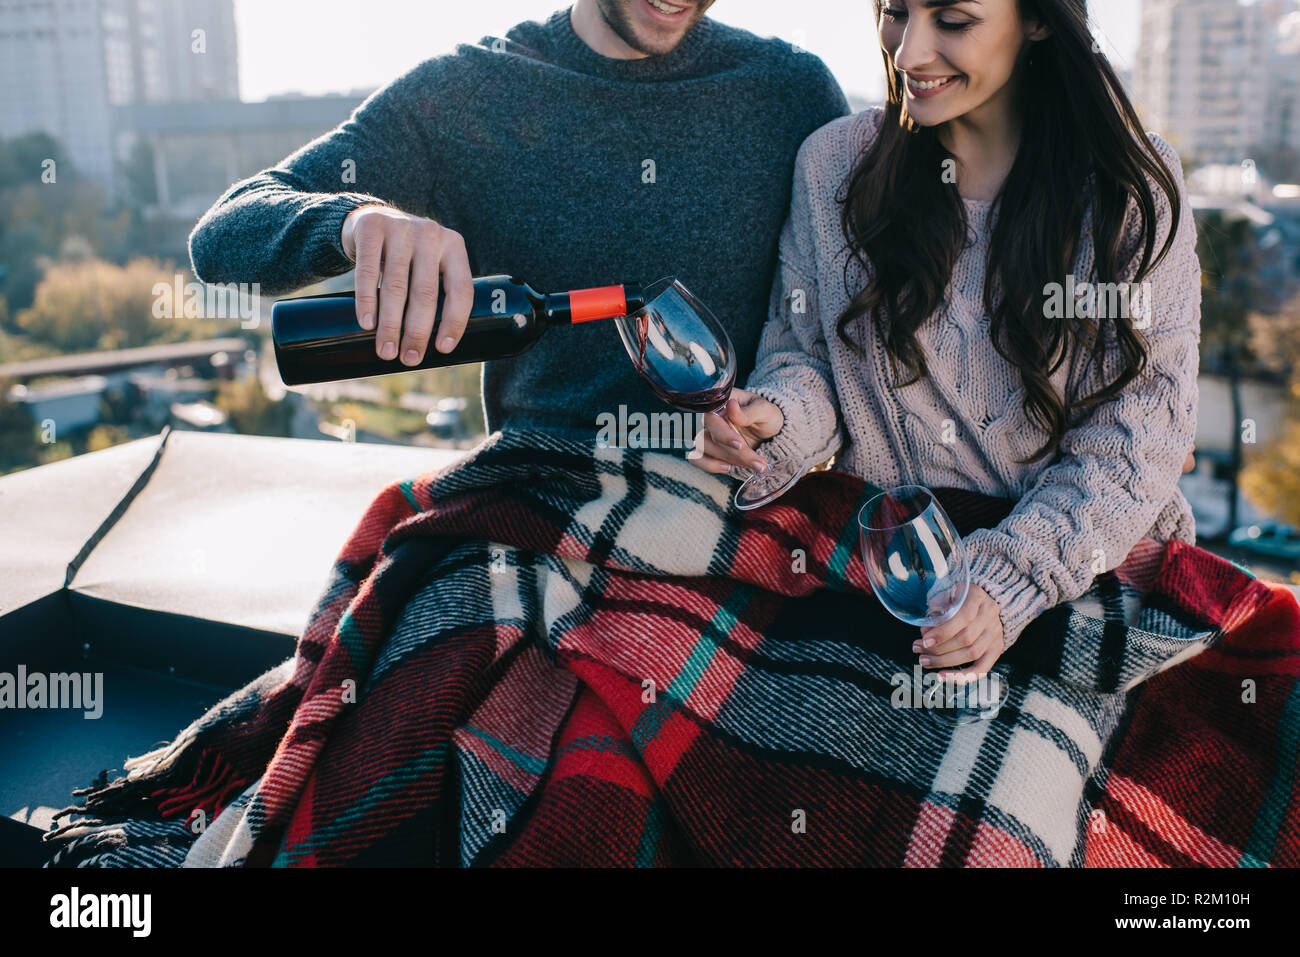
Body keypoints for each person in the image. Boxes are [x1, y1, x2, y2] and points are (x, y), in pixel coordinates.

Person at [691, 0, 1201, 678]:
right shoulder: (833, 166)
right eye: (897, 12)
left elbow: (1141, 435)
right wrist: (775, 419)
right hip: (888, 568)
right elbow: (806, 355)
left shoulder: (1129, 191)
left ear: (1041, 21)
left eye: (953, 21)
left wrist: (1002, 581)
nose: (908, 55)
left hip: (1084, 573)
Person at [189, 1, 848, 437]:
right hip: (531, 510)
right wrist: (353, 221)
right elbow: (222, 238)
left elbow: (857, 335)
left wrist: (784, 417)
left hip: (741, 508)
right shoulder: (471, 90)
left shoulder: (789, 92)